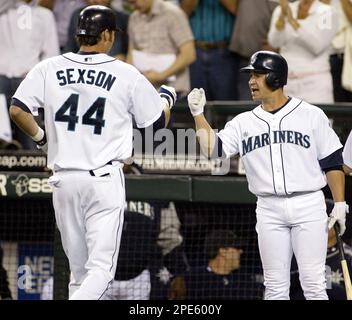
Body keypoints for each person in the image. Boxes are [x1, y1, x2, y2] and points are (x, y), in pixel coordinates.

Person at [9, 5, 176, 300]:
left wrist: (42, 139)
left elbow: (18, 109)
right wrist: (167, 97)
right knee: (101, 272)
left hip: (63, 182)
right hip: (102, 180)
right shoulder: (124, 73)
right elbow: (155, 125)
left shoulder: (49, 67)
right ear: (108, 36)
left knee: (80, 274)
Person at [186, 50, 347, 300]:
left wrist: (339, 203)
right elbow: (213, 150)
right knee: (274, 286)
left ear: (275, 78)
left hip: (308, 203)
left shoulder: (311, 114)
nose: (251, 81)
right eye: (251, 75)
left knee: (314, 284)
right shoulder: (243, 122)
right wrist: (198, 116)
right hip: (268, 207)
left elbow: (333, 162)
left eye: (258, 75)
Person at [102, 163, 188, 300]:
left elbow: (170, 236)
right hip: (98, 274)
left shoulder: (155, 187)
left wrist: (178, 273)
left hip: (139, 277)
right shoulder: (92, 183)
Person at [0, 0, 60, 149]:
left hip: (29, 79)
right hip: (1, 76)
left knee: (30, 140)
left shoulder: (45, 15)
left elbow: (51, 54)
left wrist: (37, 75)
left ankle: (33, 160)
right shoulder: (4, 9)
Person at [267, 0, 338, 104]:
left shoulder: (327, 12)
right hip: (287, 84)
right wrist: (282, 17)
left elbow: (318, 46)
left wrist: (292, 21)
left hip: (316, 86)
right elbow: (274, 42)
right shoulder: (282, 9)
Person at [126, 0, 196, 98]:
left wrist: (162, 75)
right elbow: (131, 54)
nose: (132, 7)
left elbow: (189, 54)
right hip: (144, 92)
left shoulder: (172, 14)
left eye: (134, 2)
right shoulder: (134, 17)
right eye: (128, 3)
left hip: (173, 92)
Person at [290, 199, 352, 300]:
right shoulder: (298, 255)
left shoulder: (348, 257)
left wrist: (327, 286)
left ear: (337, 224)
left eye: (324, 221)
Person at [180, 0, 238, 101]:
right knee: (195, 102)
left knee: (225, 103)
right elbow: (183, 12)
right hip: (194, 52)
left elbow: (236, 9)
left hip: (224, 52)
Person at [184, 229, 263, 300]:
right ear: (222, 251)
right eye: (237, 248)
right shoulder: (193, 278)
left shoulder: (245, 280)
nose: (241, 251)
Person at [65, 0, 129, 61]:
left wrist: (123, 57)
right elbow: (69, 49)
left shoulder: (123, 19)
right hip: (83, 64)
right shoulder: (77, 16)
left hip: (113, 66)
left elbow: (129, 51)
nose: (95, 1)